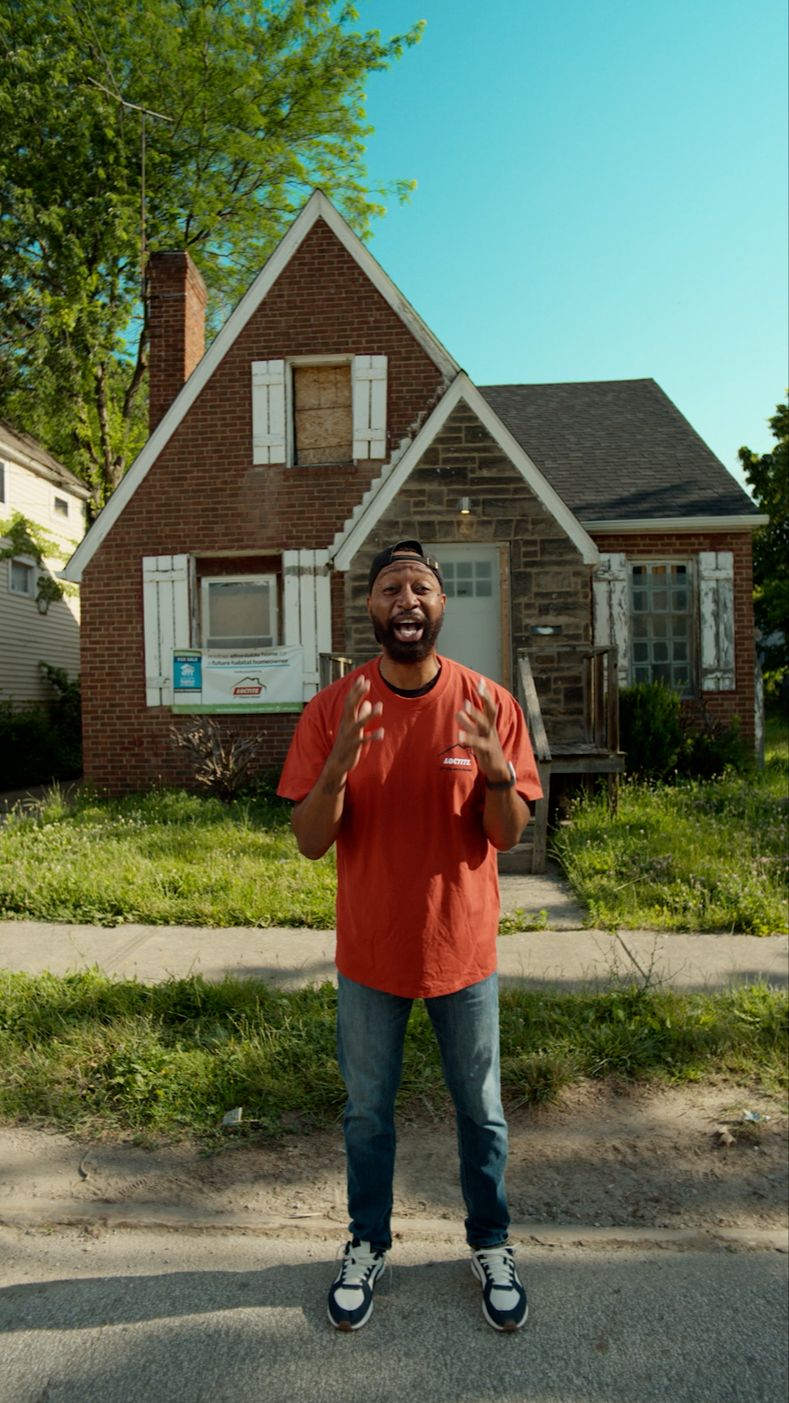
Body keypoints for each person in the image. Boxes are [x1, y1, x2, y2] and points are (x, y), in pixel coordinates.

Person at [277, 540, 543, 1332]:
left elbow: (507, 834)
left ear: (439, 604)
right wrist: (335, 771)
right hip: (370, 951)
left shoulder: (488, 703)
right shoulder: (333, 708)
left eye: (420, 586)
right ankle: (366, 1242)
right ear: (370, 606)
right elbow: (308, 838)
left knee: (481, 1111)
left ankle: (490, 1242)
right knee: (367, 1113)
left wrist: (497, 773)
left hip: (463, 951)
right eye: (390, 585)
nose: (406, 597)